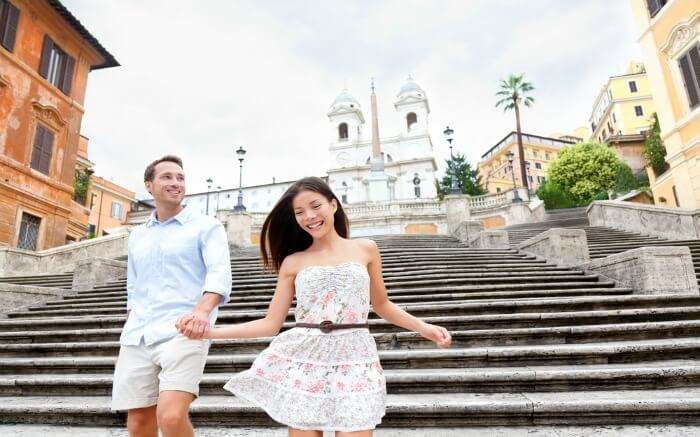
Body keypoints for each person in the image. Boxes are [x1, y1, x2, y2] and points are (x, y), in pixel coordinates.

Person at [178, 176, 451, 436]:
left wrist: (423, 327)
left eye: (315, 206)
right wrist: (208, 332)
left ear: (333, 204)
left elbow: (382, 305)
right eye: (299, 212)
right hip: (304, 359)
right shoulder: (293, 262)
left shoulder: (366, 249)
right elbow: (270, 323)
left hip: (355, 358)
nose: (309, 216)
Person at [111, 155, 232, 437]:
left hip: (185, 329)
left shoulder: (206, 226)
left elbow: (219, 274)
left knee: (171, 416)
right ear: (149, 186)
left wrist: (202, 312)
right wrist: (128, 331)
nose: (176, 183)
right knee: (139, 423)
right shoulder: (137, 236)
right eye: (167, 177)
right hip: (139, 334)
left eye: (180, 177)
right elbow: (134, 288)